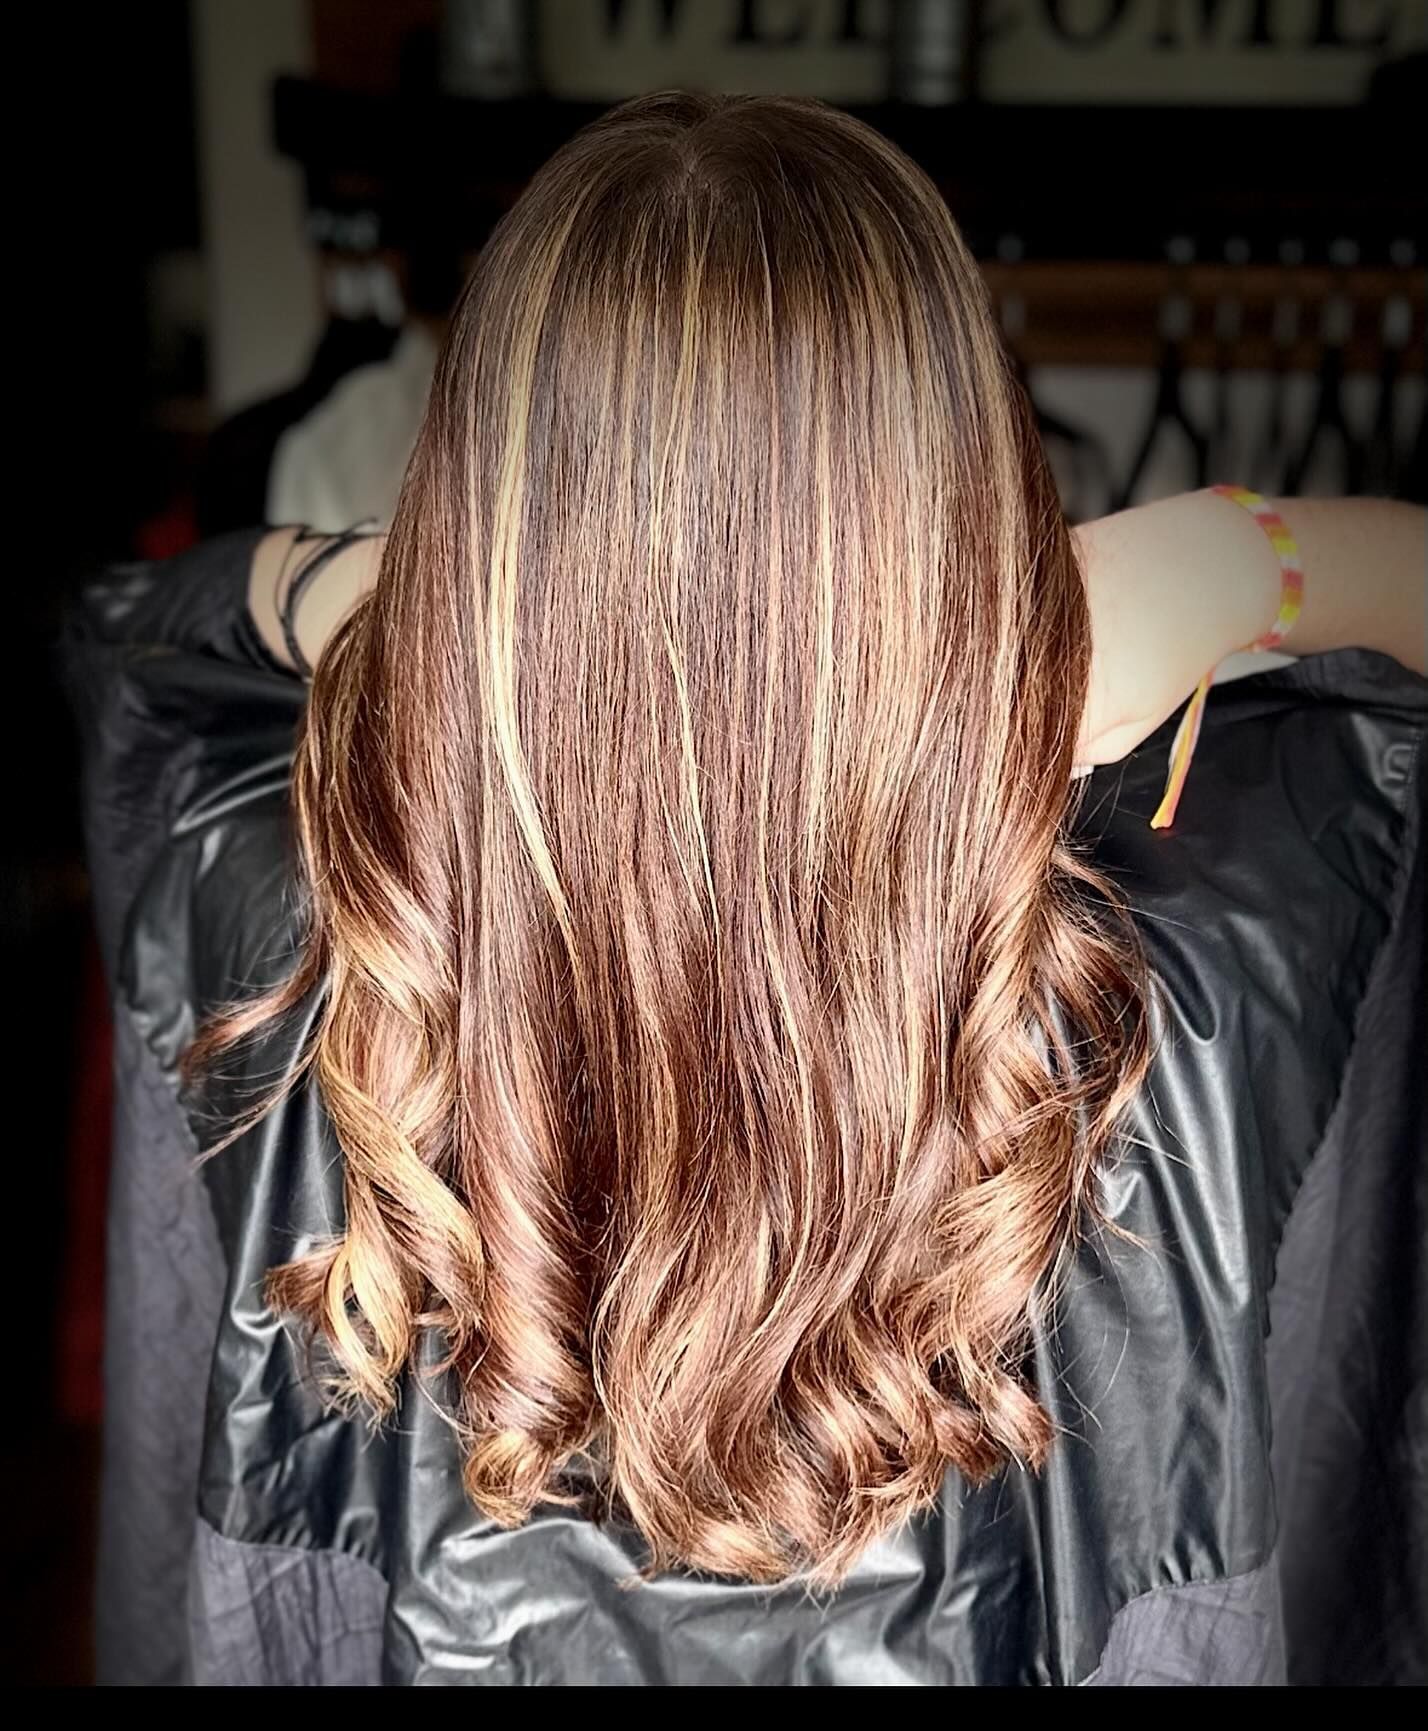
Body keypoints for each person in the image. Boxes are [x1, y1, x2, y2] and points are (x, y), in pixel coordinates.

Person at [69, 94, 1426, 1686]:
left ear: (481, 518)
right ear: (967, 484)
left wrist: (376, 593)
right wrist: (1231, 557)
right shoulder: (1196, 950)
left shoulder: (303, 926)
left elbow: (142, 628)